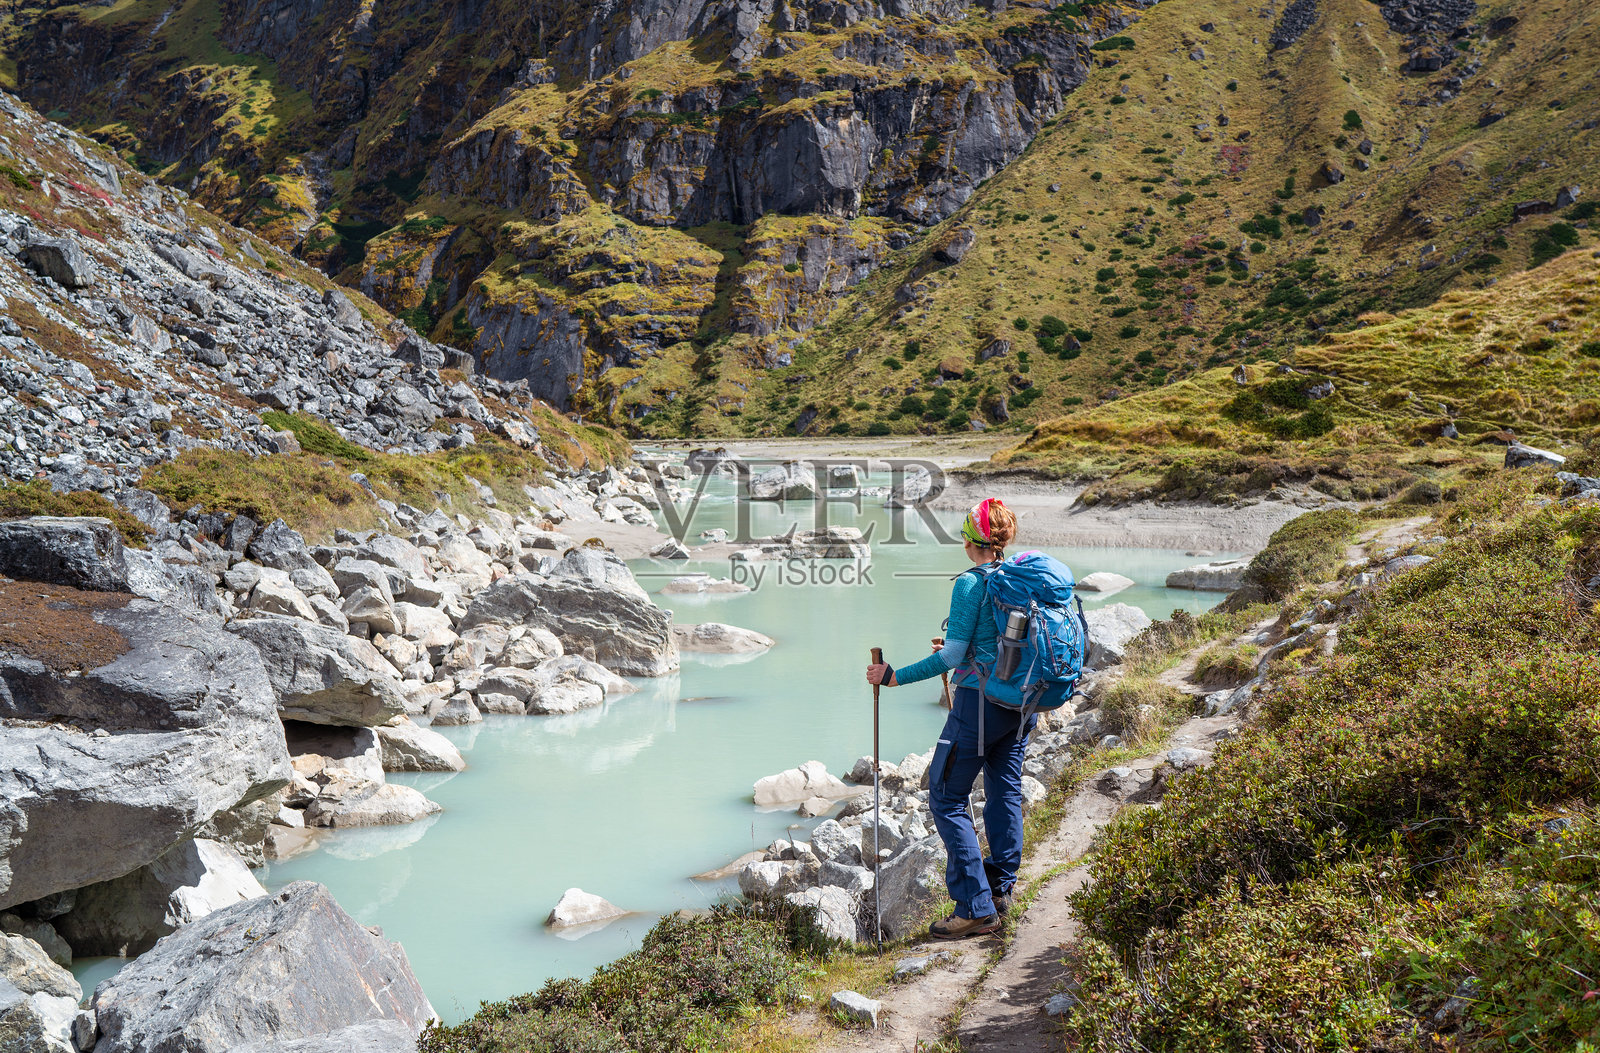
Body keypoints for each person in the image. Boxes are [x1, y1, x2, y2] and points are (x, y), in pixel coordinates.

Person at [865, 497, 1028, 940]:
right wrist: (960, 654)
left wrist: (895, 676)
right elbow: (985, 644)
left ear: (970, 540)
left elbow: (955, 654)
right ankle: (1000, 889)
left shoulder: (970, 584)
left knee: (945, 795)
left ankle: (975, 908)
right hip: (1021, 703)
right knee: (1004, 791)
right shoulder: (1018, 577)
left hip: (979, 706)